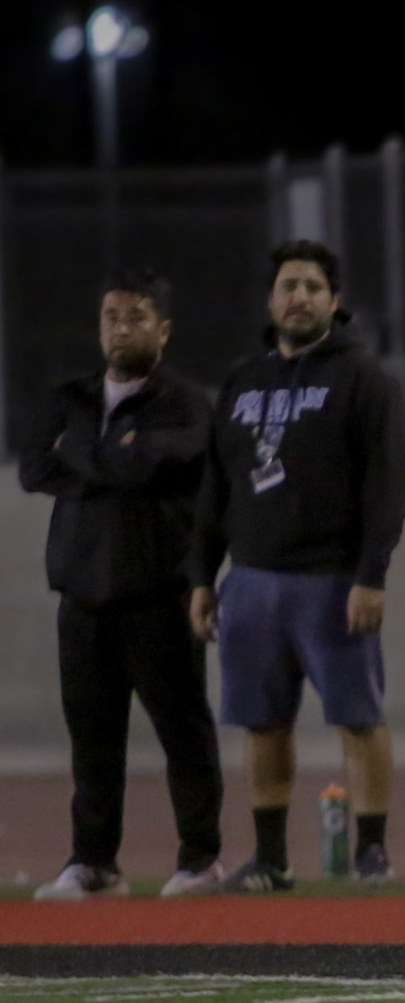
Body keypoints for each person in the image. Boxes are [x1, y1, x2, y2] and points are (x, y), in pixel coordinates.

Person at [187, 240, 405, 891]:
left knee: (358, 718)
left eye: (314, 286)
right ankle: (271, 859)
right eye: (289, 285)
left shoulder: (364, 378)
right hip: (251, 582)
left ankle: (372, 852)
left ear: (334, 301)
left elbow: (387, 486)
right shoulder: (242, 383)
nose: (300, 297)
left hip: (332, 581)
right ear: (271, 299)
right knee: (262, 723)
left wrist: (371, 575)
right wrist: (201, 576)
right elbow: (215, 487)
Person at [19, 270, 225, 900]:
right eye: (111, 317)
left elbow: (147, 464)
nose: (120, 328)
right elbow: (34, 468)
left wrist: (82, 453)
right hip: (82, 600)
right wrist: (115, 458)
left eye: (136, 317)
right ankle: (95, 864)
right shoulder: (71, 397)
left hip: (158, 597)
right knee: (93, 742)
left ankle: (200, 860)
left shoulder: (186, 404)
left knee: (183, 734)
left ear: (163, 331)